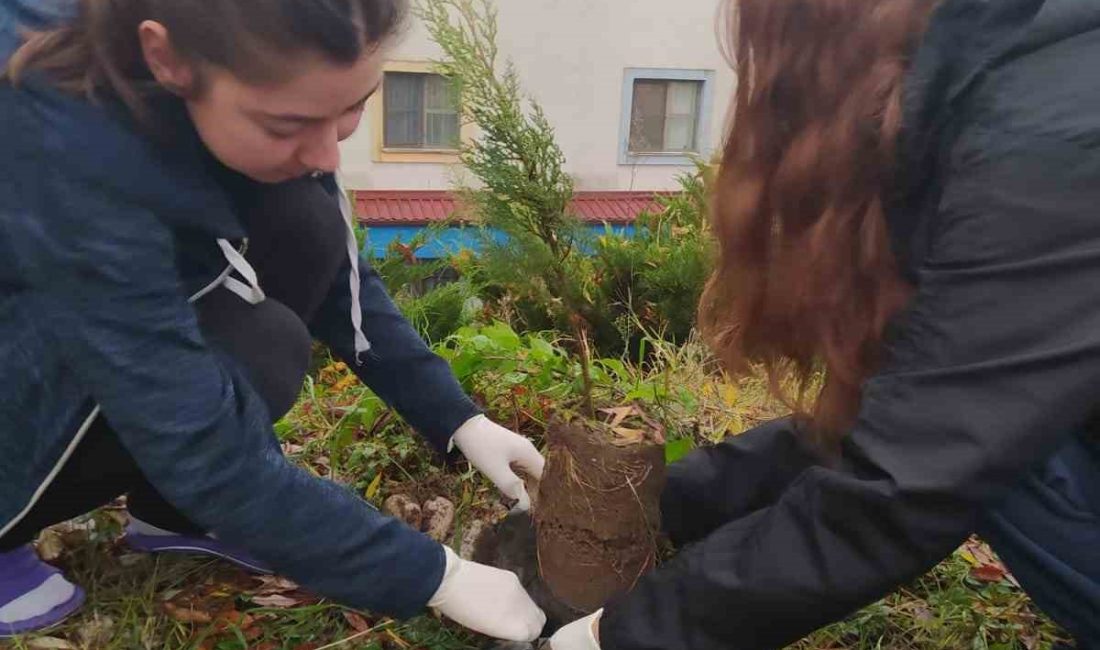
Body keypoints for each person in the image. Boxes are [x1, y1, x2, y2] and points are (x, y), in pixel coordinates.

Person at [549, 0, 1100, 648]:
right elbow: (920, 416)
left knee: (1009, 461)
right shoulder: (997, 79)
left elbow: (905, 484)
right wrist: (659, 503)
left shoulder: (1051, 132)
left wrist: (619, 634)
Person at [0, 0, 547, 641]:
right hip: (29, 316)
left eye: (352, 106)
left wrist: (458, 417)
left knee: (276, 310)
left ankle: (171, 516)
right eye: (286, 124)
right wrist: (433, 575)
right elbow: (191, 437)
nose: (326, 153)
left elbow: (339, 275)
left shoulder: (246, 67)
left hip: (86, 286)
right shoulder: (58, 142)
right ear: (166, 59)